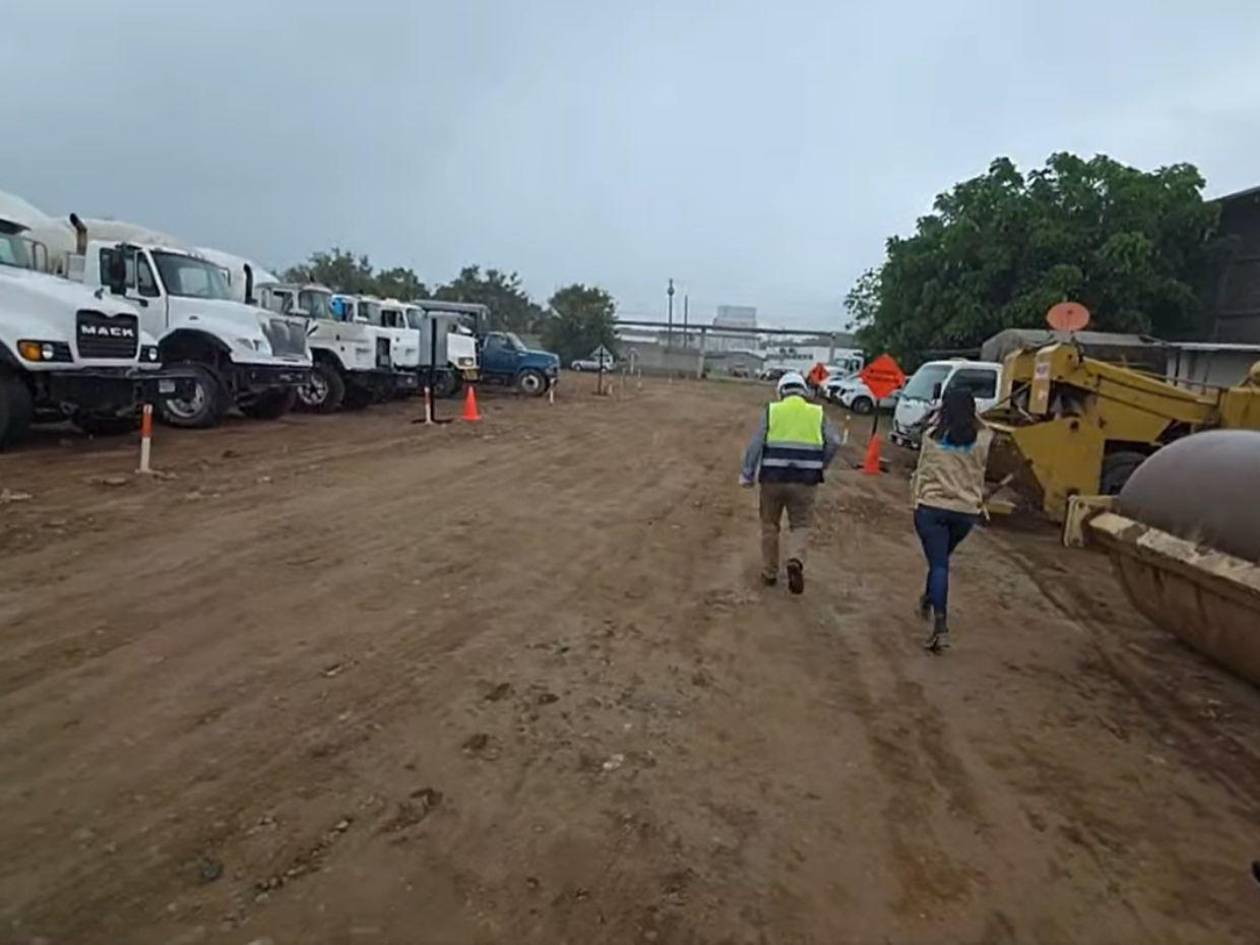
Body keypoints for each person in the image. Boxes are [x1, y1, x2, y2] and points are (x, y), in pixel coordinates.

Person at [740, 371, 840, 594]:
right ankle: (795, 559)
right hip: (806, 480)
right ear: (803, 390)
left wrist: (747, 473)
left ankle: (769, 573)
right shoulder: (817, 413)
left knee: (770, 525)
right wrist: (821, 465)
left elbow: (756, 443)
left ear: (781, 391)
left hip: (773, 479)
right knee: (801, 524)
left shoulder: (773, 411)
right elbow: (834, 441)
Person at [910, 386, 994, 652]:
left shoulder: (931, 438)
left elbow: (921, 464)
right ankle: (927, 600)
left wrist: (940, 415)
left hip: (931, 509)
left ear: (943, 409)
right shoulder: (983, 439)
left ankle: (941, 625)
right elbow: (984, 425)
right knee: (941, 562)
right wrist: (972, 415)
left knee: (938, 565)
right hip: (965, 512)